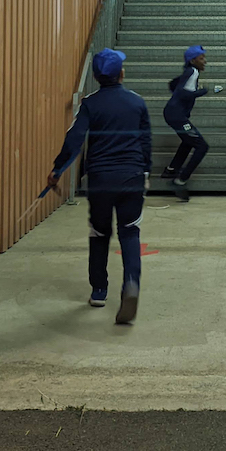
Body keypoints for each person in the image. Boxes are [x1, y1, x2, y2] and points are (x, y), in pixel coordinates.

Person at [46, 48, 151, 323]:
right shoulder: (137, 103)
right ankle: (131, 284)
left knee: (99, 233)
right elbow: (145, 142)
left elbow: (74, 139)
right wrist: (146, 171)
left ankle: (99, 290)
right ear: (121, 74)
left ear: (95, 76)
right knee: (130, 232)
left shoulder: (90, 104)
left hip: (101, 179)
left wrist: (57, 169)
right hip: (131, 176)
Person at [161, 44, 221, 200]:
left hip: (174, 114)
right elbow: (181, 92)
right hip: (176, 115)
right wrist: (202, 91)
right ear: (193, 60)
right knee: (202, 146)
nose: (205, 61)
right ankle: (180, 181)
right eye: (202, 58)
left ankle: (171, 169)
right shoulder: (193, 71)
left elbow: (173, 85)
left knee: (188, 142)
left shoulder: (189, 71)